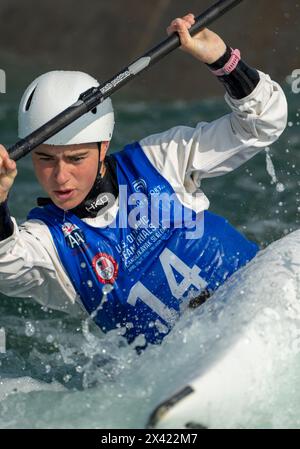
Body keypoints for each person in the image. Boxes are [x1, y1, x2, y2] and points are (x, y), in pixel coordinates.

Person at [0, 14, 287, 346]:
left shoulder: (159, 160)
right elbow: (5, 264)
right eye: (45, 159)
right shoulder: (50, 244)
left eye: (76, 158)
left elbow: (263, 124)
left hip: (271, 304)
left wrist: (222, 60)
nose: (60, 176)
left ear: (103, 146)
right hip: (198, 369)